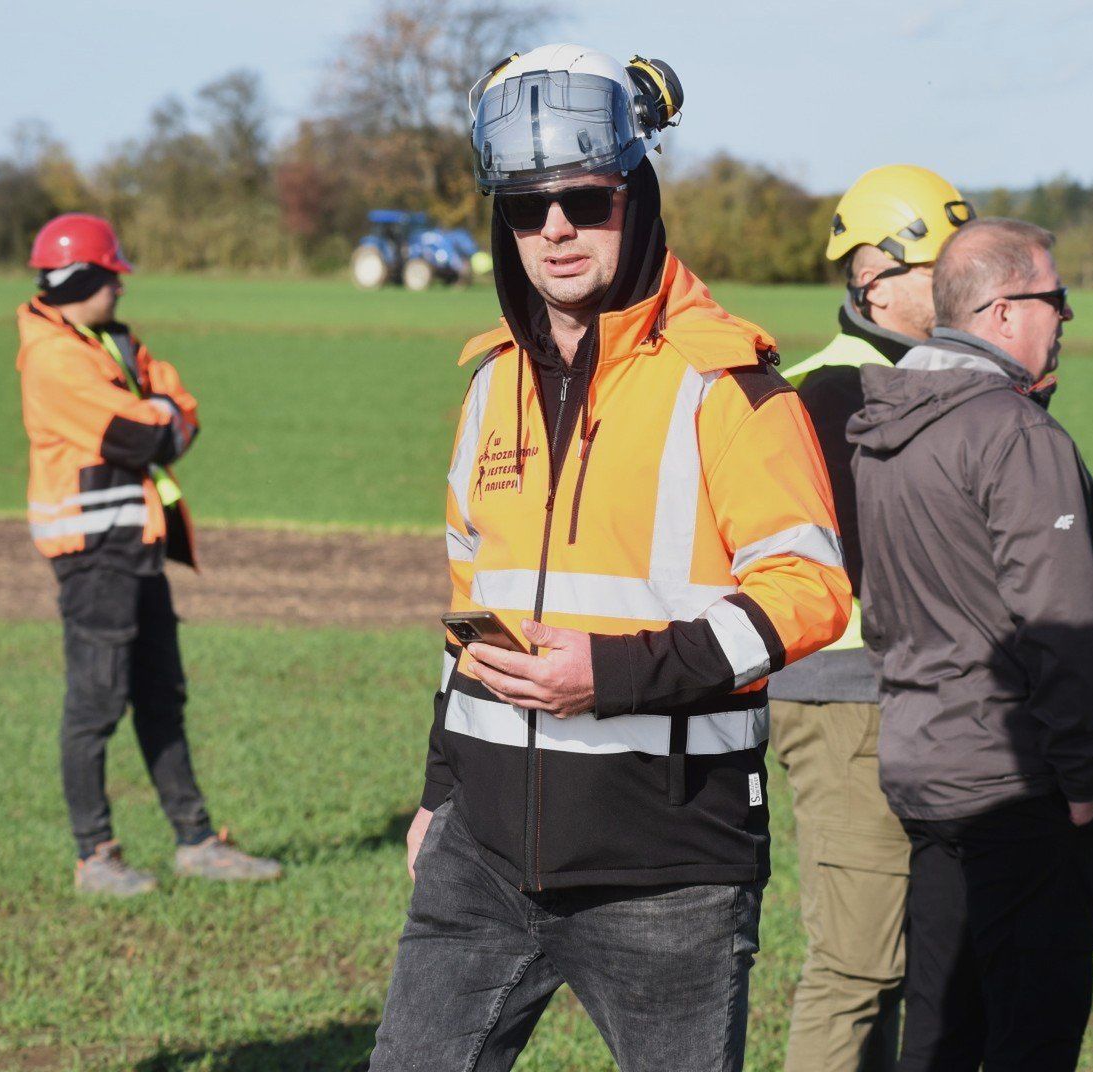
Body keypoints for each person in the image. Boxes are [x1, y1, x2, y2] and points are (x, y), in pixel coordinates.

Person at [370, 45, 851, 1071]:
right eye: (525, 204)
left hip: (667, 871)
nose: (553, 229)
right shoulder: (487, 387)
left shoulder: (730, 386)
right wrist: (438, 793)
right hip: (482, 855)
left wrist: (612, 675)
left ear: (634, 193)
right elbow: (471, 610)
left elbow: (808, 593)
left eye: (584, 200)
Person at [849, 218, 1093, 1071]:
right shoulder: (1016, 436)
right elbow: (1062, 627)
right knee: (1032, 1029)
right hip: (1018, 786)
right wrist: (1083, 780)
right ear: (1004, 312)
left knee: (939, 1023)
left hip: (923, 771)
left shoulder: (885, 429)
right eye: (1055, 299)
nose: (1065, 317)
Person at [766, 165, 975, 1072]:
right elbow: (875, 565)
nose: (967, 289)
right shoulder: (831, 394)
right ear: (874, 277)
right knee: (857, 965)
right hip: (850, 703)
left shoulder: (945, 382)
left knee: (913, 959)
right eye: (944, 269)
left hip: (919, 699)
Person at [17, 212, 279, 892]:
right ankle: (94, 856)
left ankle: (195, 841)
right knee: (95, 705)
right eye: (113, 277)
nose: (122, 290)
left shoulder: (110, 343)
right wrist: (164, 414)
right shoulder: (56, 358)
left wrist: (166, 413)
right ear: (85, 277)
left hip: (136, 548)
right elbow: (145, 438)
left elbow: (183, 409)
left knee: (163, 695)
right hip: (92, 555)